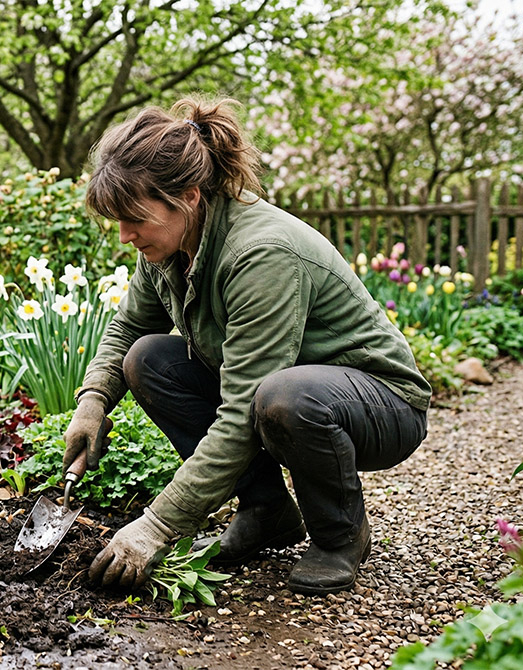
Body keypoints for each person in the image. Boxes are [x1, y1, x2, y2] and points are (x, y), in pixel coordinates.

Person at [63, 97, 430, 596]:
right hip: (283, 390)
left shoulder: (260, 254)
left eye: (135, 219)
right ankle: (267, 513)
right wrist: (92, 401)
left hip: (380, 403)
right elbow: (128, 327)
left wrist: (155, 528)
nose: (126, 235)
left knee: (284, 397)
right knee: (148, 360)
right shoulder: (170, 243)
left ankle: (340, 535)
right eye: (118, 221)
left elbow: (241, 413)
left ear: (189, 196)